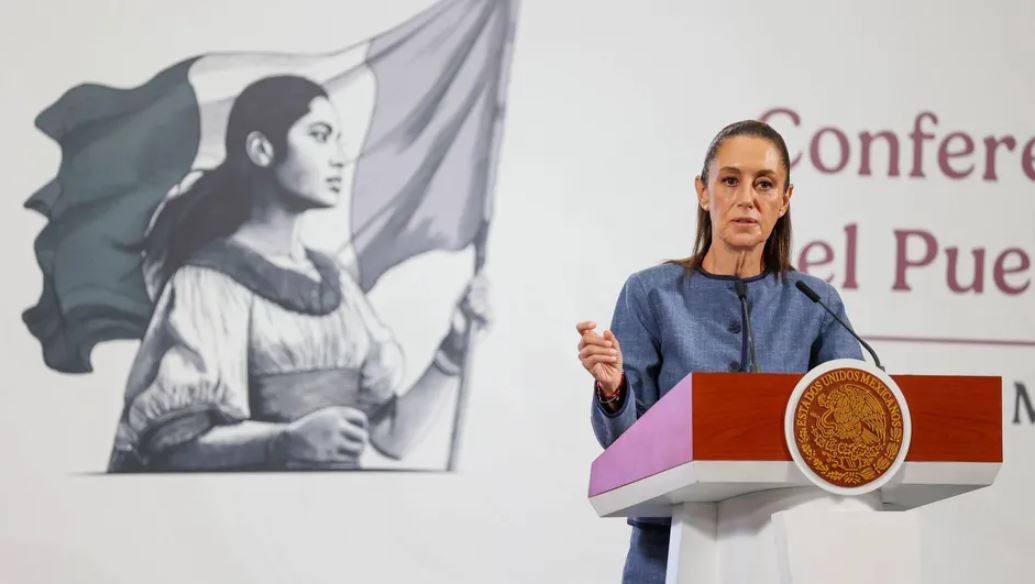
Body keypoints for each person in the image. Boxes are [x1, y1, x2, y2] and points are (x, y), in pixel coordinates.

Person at [108, 75, 488, 472]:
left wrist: (453, 349)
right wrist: (284, 441)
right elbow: (172, 450)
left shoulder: (336, 284)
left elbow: (392, 437)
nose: (339, 157)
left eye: (337, 139)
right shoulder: (209, 282)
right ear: (261, 149)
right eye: (320, 136)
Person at [576, 120, 864, 583]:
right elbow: (624, 446)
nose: (746, 198)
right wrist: (614, 391)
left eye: (764, 184)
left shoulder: (815, 302)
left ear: (785, 199)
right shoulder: (650, 294)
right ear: (703, 191)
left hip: (780, 541)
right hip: (666, 546)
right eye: (730, 180)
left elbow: (855, 421)